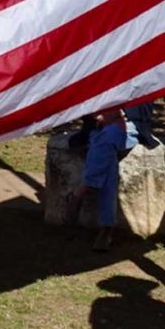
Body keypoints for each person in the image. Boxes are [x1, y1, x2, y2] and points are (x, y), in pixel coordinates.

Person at [65, 107, 126, 252]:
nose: (97, 116)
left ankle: (80, 192)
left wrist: (113, 116)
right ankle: (107, 227)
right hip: (99, 131)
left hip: (127, 128)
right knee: (109, 167)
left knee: (105, 142)